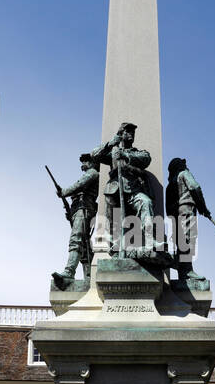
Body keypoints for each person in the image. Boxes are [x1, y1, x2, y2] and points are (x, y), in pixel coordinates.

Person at [88, 122, 156, 254]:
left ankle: (150, 240)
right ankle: (112, 242)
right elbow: (94, 155)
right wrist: (110, 143)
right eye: (128, 132)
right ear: (121, 133)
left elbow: (146, 158)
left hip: (133, 191)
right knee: (111, 206)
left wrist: (125, 155)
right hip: (115, 191)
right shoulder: (113, 151)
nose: (131, 134)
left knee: (146, 202)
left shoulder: (137, 152)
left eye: (133, 132)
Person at [52, 154, 99, 289]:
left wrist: (64, 192)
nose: (83, 163)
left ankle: (69, 272)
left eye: (85, 161)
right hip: (78, 210)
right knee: (84, 246)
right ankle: (90, 277)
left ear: (92, 162)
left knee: (76, 239)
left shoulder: (93, 173)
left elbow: (79, 186)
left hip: (84, 209)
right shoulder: (89, 173)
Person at [166, 157, 210, 280]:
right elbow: (195, 187)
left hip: (177, 214)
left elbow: (168, 209)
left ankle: (183, 272)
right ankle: (187, 271)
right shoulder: (185, 174)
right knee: (189, 239)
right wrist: (203, 207)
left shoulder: (170, 185)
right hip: (187, 209)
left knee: (181, 241)